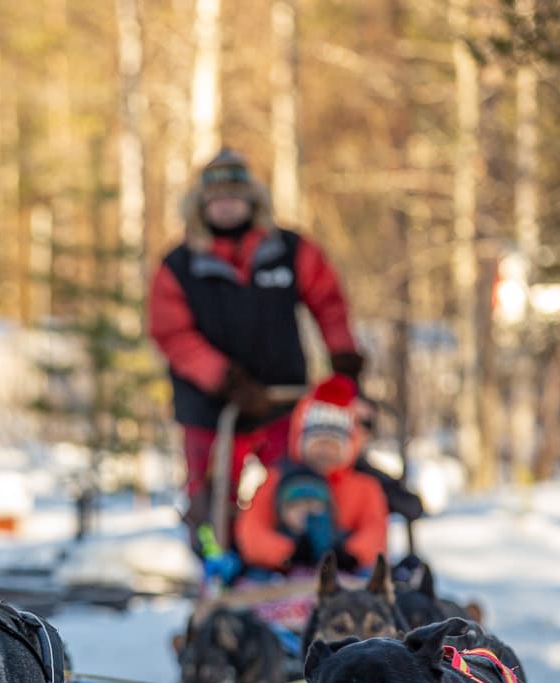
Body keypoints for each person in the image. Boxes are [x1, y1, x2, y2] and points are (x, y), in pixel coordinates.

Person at [147, 148, 364, 526]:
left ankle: (294, 562)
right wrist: (226, 380)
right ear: (201, 205)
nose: (227, 206)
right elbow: (173, 335)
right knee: (211, 501)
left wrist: (343, 359)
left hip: (280, 398)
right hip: (210, 408)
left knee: (292, 487)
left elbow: (329, 304)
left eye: (235, 197)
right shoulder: (178, 266)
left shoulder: (290, 250)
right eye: (218, 199)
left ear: (251, 200)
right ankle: (216, 565)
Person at [235, 375, 388, 575]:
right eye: (317, 444)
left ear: (348, 448)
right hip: (283, 573)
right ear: (301, 443)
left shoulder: (364, 487)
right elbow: (252, 531)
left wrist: (350, 553)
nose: (324, 452)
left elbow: (375, 532)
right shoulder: (277, 479)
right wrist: (288, 552)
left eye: (332, 446)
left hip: (347, 572)